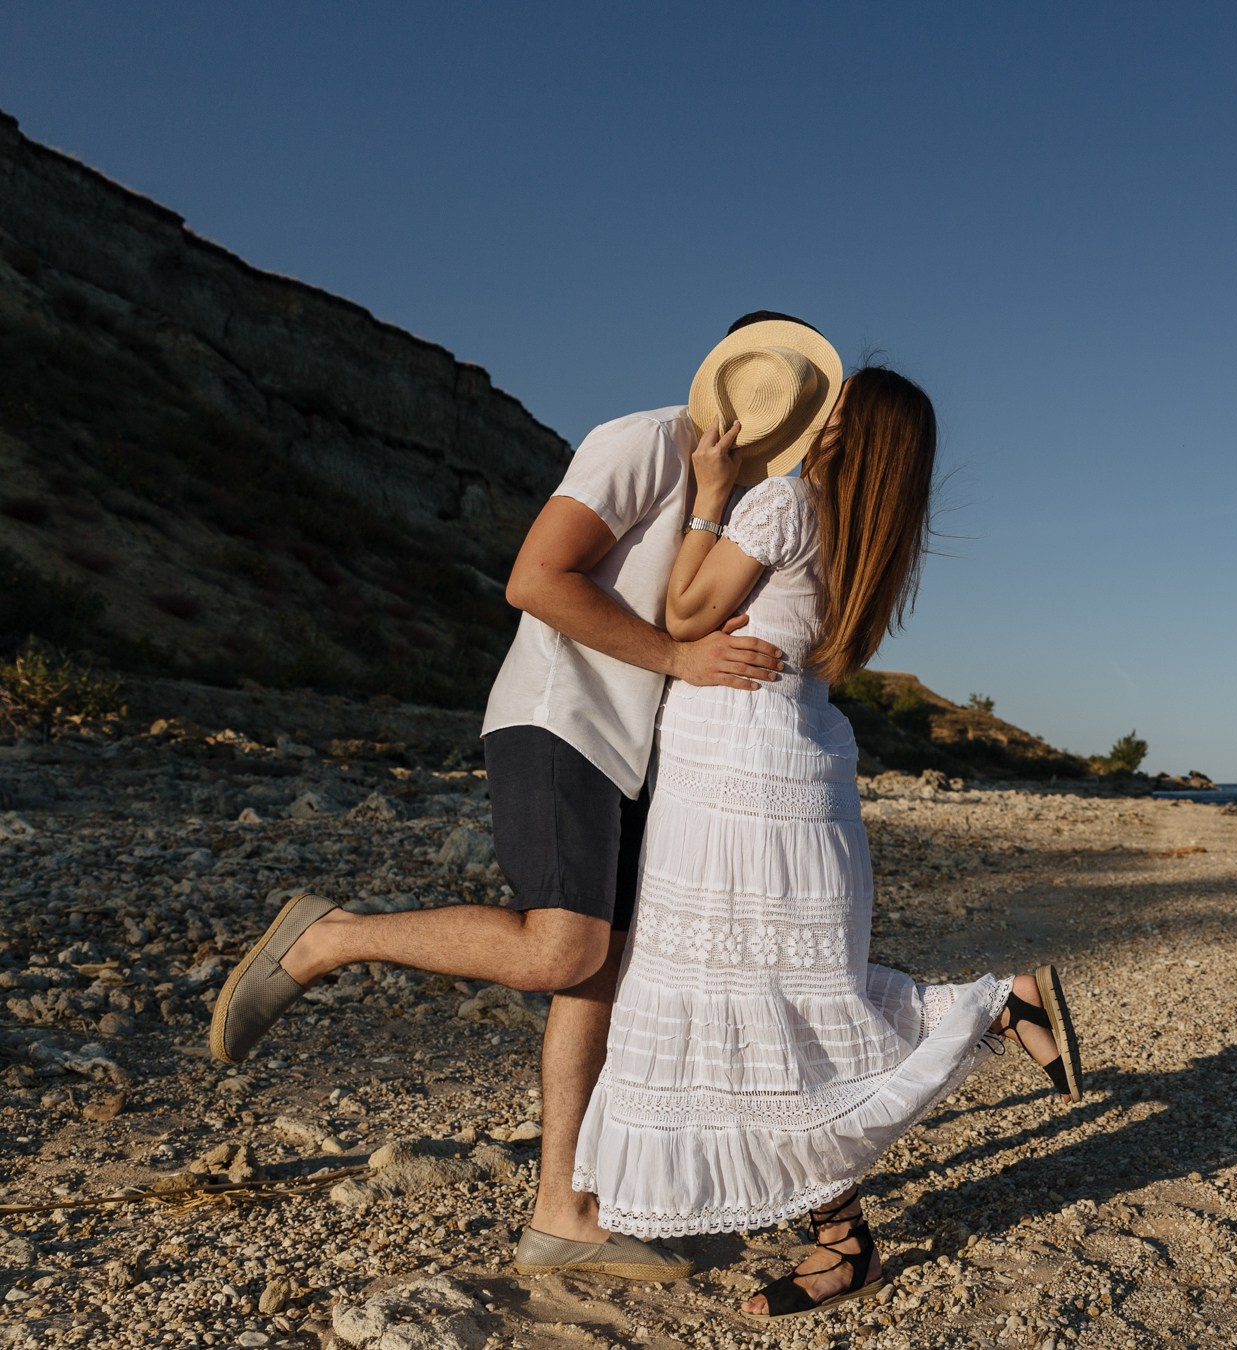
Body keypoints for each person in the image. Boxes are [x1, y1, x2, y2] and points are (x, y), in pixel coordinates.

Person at [209, 312, 841, 1281]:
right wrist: (677, 657)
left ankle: (561, 1216)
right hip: (563, 717)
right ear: (724, 375)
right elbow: (535, 578)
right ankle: (326, 937)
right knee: (564, 949)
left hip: (642, 753)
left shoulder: (756, 495)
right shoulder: (642, 442)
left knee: (604, 971)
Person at [572, 357, 1083, 1321]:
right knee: (785, 1006)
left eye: (837, 407)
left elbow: (683, 614)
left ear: (850, 430)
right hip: (803, 771)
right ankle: (978, 1032)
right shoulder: (871, 546)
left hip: (733, 772)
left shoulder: (785, 503)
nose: (820, 417)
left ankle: (859, 1219)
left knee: (755, 1011)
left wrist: (710, 499)